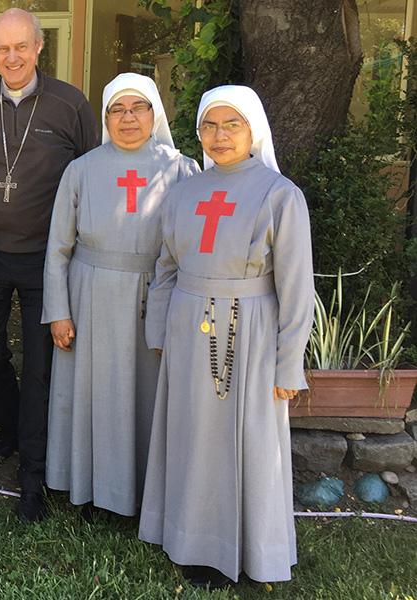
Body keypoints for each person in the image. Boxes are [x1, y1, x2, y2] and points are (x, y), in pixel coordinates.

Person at [138, 85, 313, 587]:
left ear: (253, 129)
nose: (219, 136)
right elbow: (167, 268)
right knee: (194, 438)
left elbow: (297, 288)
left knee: (250, 443)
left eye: (231, 124)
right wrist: (161, 331)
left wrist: (288, 363)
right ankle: (193, 542)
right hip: (190, 332)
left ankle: (255, 553)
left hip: (253, 334)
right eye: (209, 126)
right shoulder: (184, 191)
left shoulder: (280, 194)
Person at [0, 7, 100, 522]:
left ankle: (32, 480)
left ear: (40, 46)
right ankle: (15, 431)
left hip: (49, 258)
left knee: (40, 368)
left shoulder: (71, 105)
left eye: (21, 46)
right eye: (1, 48)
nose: (11, 56)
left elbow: (91, 176)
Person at [43, 73, 199, 518]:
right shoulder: (81, 169)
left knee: (144, 395)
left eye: (138, 108)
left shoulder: (182, 170)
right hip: (88, 295)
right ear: (106, 116)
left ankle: (142, 489)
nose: (128, 118)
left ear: (155, 114)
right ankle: (89, 487)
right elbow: (58, 247)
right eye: (117, 109)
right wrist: (58, 311)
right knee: (92, 394)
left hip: (154, 295)